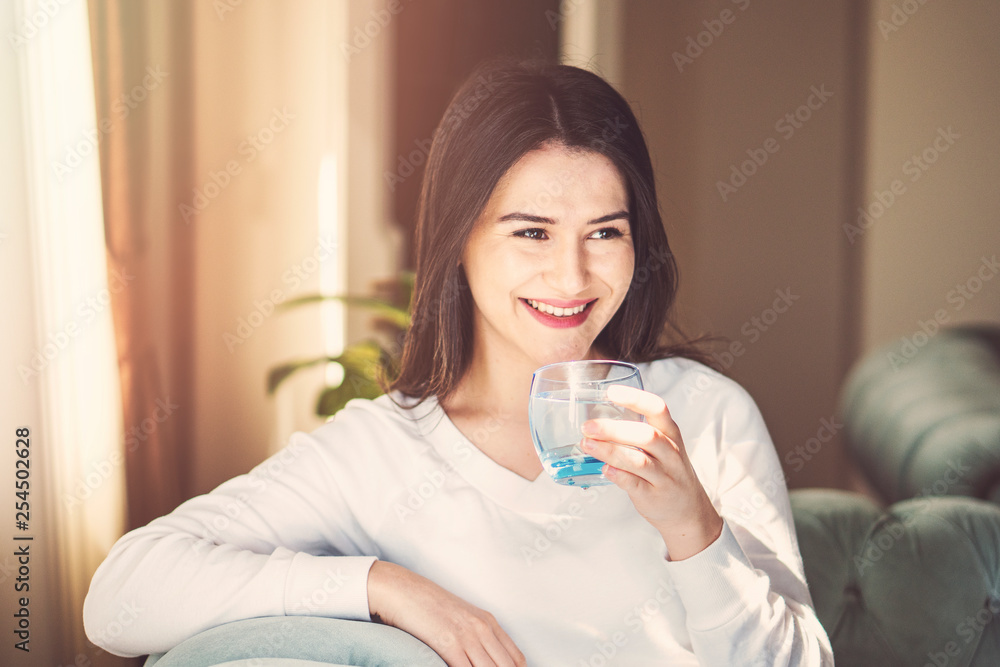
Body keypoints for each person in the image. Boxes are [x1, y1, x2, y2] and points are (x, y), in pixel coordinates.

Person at [84, 57, 834, 666]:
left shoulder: (707, 415)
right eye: (531, 233)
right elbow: (119, 597)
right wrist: (385, 586)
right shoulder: (378, 451)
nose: (572, 279)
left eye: (604, 233)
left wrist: (694, 528)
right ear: (459, 242)